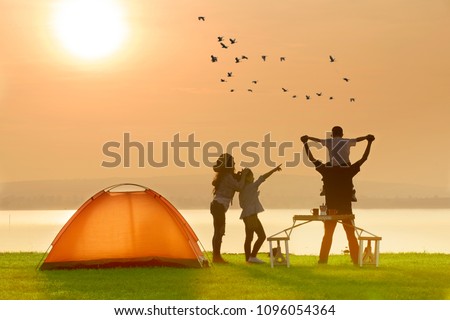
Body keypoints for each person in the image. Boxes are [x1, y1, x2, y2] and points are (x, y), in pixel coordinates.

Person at [301, 134, 375, 264]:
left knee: (328, 236)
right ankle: (356, 260)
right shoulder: (348, 170)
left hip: (331, 209)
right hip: (346, 208)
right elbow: (364, 158)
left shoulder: (327, 170)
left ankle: (323, 260)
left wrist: (305, 143)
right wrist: (369, 142)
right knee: (351, 236)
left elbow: (311, 158)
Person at [308, 126, 369, 200]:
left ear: (332, 134)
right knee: (350, 172)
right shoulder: (347, 141)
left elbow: (318, 140)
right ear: (342, 134)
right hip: (345, 165)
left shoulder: (329, 141)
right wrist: (366, 138)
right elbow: (357, 139)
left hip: (333, 166)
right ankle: (351, 191)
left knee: (328, 165)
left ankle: (324, 187)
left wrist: (308, 138)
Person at [239, 165, 282, 264]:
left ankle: (248, 258)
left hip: (246, 215)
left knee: (249, 238)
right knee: (262, 236)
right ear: (248, 178)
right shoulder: (252, 186)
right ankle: (253, 256)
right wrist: (274, 170)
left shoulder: (241, 189)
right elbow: (263, 177)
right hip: (251, 216)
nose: (253, 178)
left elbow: (242, 205)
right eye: (252, 176)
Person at [210, 153, 248, 264]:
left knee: (218, 231)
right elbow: (239, 187)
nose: (235, 164)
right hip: (219, 206)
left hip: (217, 205)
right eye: (233, 162)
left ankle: (216, 256)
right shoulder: (227, 177)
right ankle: (217, 257)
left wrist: (240, 176)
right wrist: (244, 176)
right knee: (219, 231)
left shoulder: (226, 176)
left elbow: (235, 183)